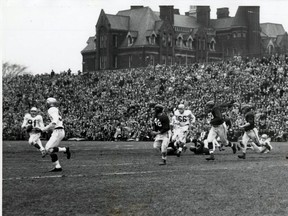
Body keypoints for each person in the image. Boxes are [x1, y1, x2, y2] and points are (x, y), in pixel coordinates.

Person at [42, 97, 71, 172]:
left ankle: (65, 149)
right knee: (50, 150)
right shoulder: (56, 109)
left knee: (48, 149)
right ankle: (58, 166)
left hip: (58, 131)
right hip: (59, 131)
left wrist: (45, 128)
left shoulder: (51, 109)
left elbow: (54, 120)